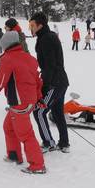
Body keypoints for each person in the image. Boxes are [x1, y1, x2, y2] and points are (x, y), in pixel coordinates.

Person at [0, 31, 46, 174]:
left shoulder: (8, 59)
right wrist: (38, 98)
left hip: (20, 104)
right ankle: (14, 155)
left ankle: (37, 165)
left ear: (5, 45)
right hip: (28, 102)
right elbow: (37, 81)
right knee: (8, 127)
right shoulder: (29, 58)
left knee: (26, 134)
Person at [29, 12, 70, 153]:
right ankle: (64, 143)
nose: (30, 28)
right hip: (61, 81)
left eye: (32, 25)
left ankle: (48, 143)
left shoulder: (46, 39)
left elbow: (50, 65)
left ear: (40, 25)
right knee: (57, 112)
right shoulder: (46, 36)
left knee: (39, 111)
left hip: (54, 82)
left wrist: (46, 86)